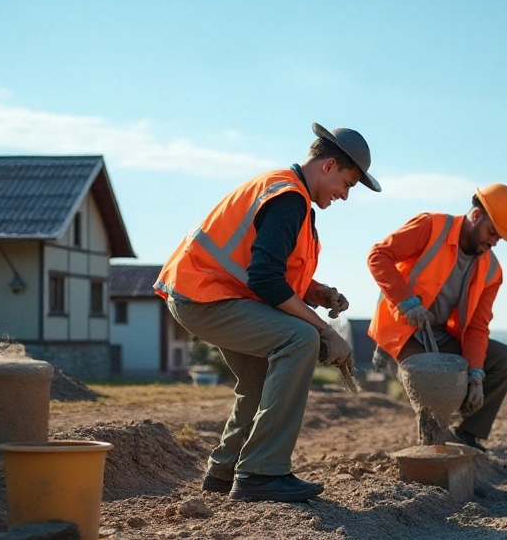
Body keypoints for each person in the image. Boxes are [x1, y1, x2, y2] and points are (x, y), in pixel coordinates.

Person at [155, 123, 380, 502]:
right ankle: (261, 472)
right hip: (205, 296)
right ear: (328, 166)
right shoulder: (288, 199)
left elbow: (273, 269)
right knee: (300, 338)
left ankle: (223, 473)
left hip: (208, 293)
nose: (344, 195)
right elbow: (265, 281)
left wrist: (317, 292)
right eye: (347, 183)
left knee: (259, 380)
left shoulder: (289, 197)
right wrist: (325, 330)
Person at [367, 184, 507, 451]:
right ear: (476, 216)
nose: (493, 242)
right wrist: (406, 302)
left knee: (506, 360)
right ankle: (432, 446)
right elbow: (379, 256)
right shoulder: (432, 227)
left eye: (499, 238)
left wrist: (475, 374)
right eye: (492, 233)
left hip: (439, 335)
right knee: (431, 378)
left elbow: (476, 326)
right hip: (402, 328)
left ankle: (467, 436)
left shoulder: (491, 271)